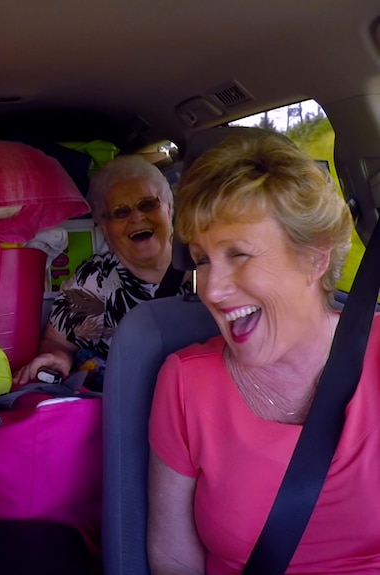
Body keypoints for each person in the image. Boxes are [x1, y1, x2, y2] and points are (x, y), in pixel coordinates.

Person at [146, 132, 377, 573]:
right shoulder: (185, 383)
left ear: (314, 259)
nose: (211, 289)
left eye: (239, 254)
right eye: (203, 259)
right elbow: (174, 557)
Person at [13, 154, 190, 387]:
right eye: (121, 212)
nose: (137, 217)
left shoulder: (205, 262)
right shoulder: (92, 283)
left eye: (148, 204)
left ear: (169, 209)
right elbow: (57, 344)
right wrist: (58, 358)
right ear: (105, 229)